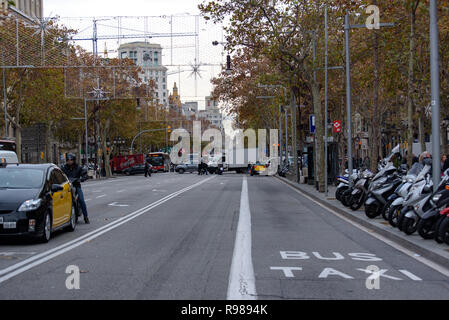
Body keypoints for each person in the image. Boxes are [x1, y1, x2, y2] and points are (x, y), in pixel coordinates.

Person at [62, 153, 90, 224]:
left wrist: (81, 179)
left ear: (74, 160)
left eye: (70, 160)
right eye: (68, 160)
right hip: (67, 188)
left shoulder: (78, 168)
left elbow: (85, 175)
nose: (69, 161)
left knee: (81, 200)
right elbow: (61, 175)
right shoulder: (64, 168)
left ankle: (86, 217)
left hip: (76, 186)